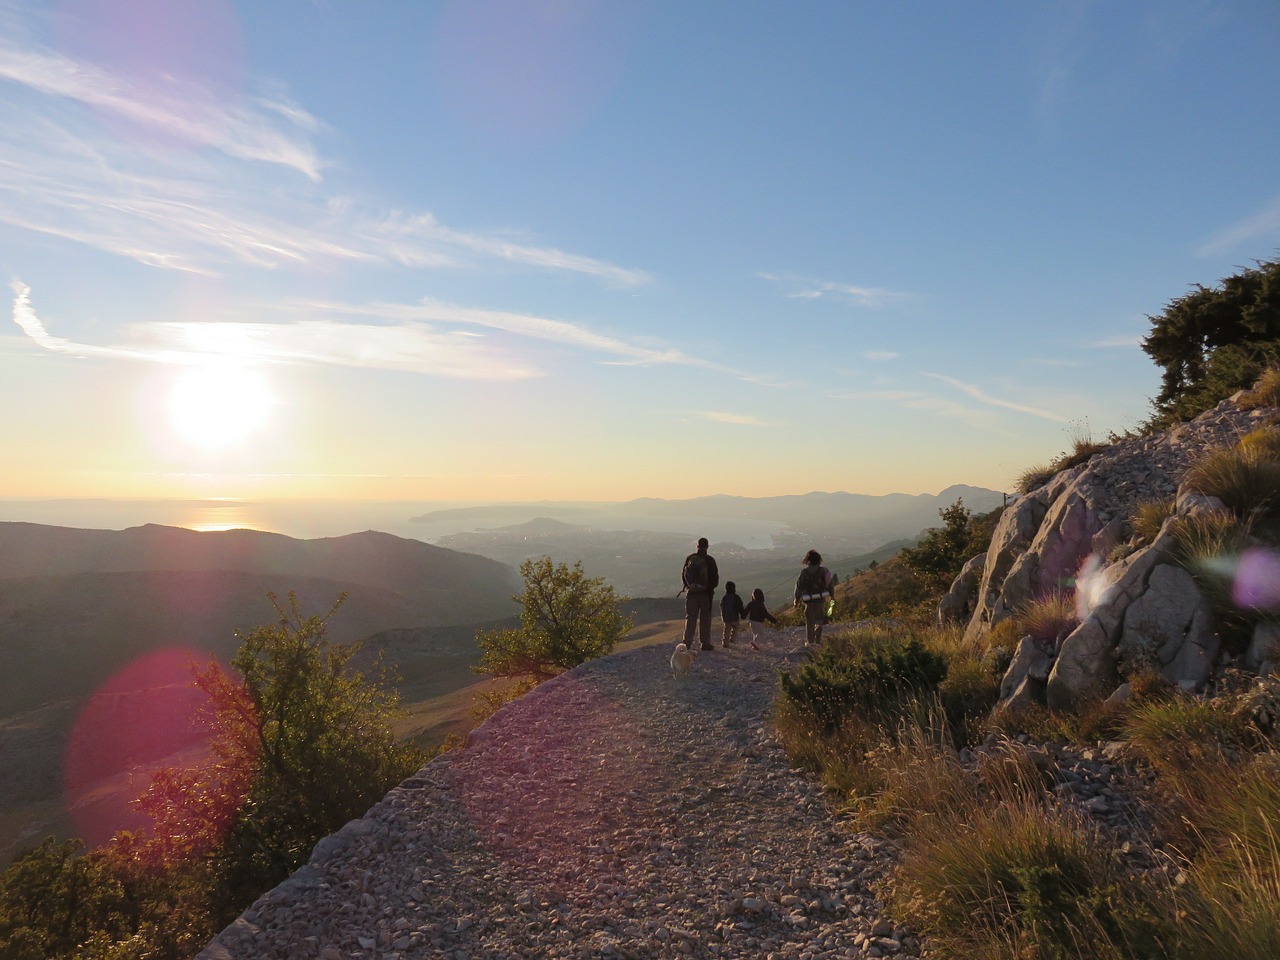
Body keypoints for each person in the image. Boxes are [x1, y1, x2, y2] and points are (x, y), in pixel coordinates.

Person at [680, 537, 719, 651]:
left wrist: (689, 586)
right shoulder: (710, 560)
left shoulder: (690, 558)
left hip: (691, 593)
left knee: (690, 618)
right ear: (707, 547)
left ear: (697, 546)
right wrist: (709, 588)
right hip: (706, 594)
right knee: (705, 619)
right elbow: (715, 580)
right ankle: (705, 643)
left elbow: (683, 575)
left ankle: (686, 643)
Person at [794, 549, 836, 646]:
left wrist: (796, 600)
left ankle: (810, 642)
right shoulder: (823, 571)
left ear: (807, 560)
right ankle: (818, 630)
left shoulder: (804, 572)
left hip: (808, 601)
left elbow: (799, 587)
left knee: (809, 622)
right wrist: (832, 596)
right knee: (819, 617)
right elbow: (830, 584)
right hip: (820, 599)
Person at [719, 581, 745, 648]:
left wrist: (723, 616)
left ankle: (725, 643)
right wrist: (743, 614)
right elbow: (740, 606)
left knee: (727, 630)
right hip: (734, 617)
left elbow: (721, 606)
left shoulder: (724, 598)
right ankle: (733, 638)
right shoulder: (736, 597)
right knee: (735, 628)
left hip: (726, 618)